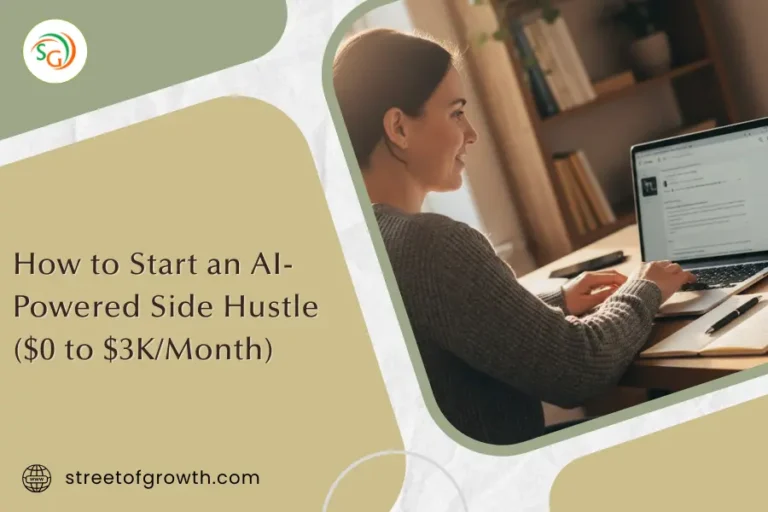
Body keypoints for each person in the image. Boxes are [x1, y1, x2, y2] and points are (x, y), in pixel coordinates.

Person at [332, 28, 696, 445]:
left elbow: (440, 327)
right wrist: (644, 288)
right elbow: (580, 367)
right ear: (398, 127)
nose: (471, 133)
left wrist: (556, 303)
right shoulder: (429, 244)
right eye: (455, 113)